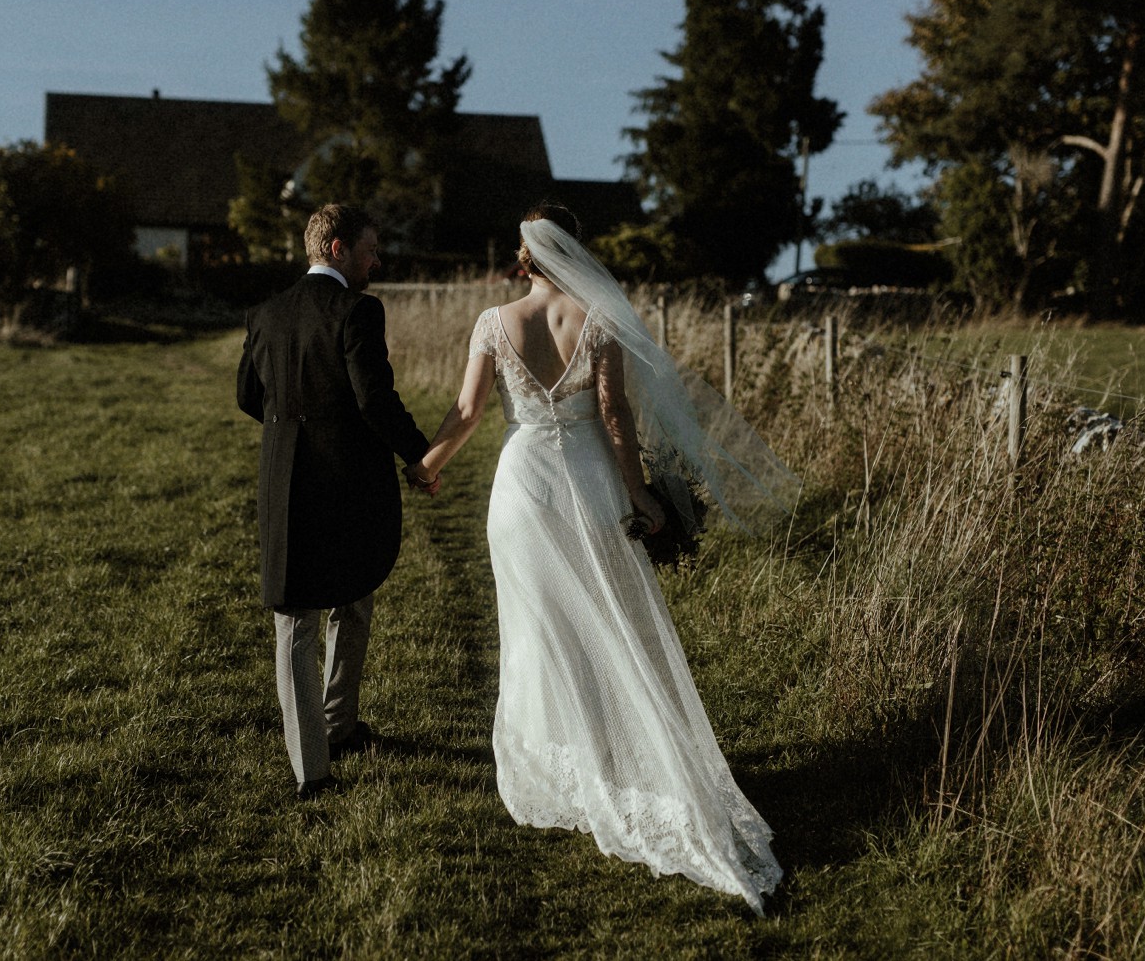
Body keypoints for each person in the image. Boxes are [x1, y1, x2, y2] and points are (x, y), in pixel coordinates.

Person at [416, 203, 800, 913]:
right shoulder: (597, 317)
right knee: (613, 627)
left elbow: (467, 413)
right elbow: (615, 415)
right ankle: (620, 761)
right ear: (576, 250)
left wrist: (429, 464)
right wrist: (643, 498)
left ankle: (572, 768)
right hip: (590, 484)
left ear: (525, 256)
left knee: (541, 632)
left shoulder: (493, 323)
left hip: (524, 489)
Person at [237, 203, 440, 799]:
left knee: (297, 620)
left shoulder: (265, 313)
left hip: (284, 480)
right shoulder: (358, 310)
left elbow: (250, 395)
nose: (377, 261)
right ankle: (328, 742)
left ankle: (324, 750)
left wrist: (290, 425)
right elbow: (374, 401)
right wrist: (420, 457)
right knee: (349, 598)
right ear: (336, 249)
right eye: (370, 250)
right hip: (348, 479)